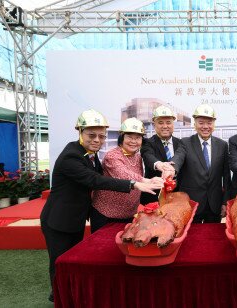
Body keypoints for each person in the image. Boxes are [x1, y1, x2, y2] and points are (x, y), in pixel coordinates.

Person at [40, 109, 163, 302]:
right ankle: (59, 297)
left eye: (101, 136)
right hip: (60, 218)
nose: (97, 140)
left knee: (73, 259)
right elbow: (96, 179)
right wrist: (137, 183)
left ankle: (70, 293)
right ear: (79, 132)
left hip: (76, 217)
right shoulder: (72, 155)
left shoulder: (89, 153)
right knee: (60, 261)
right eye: (91, 135)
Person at [91, 117, 163, 233]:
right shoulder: (112, 156)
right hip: (106, 215)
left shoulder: (138, 156)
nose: (133, 141)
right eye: (129, 137)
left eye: (138, 138)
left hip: (129, 215)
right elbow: (123, 174)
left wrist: (151, 179)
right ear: (122, 138)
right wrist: (147, 181)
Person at [172, 104, 231, 223]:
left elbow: (226, 177)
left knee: (212, 238)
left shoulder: (222, 145)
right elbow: (178, 158)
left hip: (214, 204)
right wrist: (172, 168)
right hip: (191, 203)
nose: (205, 126)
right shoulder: (185, 143)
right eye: (201, 122)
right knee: (192, 238)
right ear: (195, 124)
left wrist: (225, 202)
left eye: (209, 123)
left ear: (214, 124)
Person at [141, 105, 182, 204]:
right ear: (154, 124)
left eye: (168, 122)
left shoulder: (181, 143)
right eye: (160, 123)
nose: (165, 126)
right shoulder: (147, 143)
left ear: (173, 124)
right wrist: (160, 165)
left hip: (176, 197)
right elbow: (148, 156)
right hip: (153, 198)